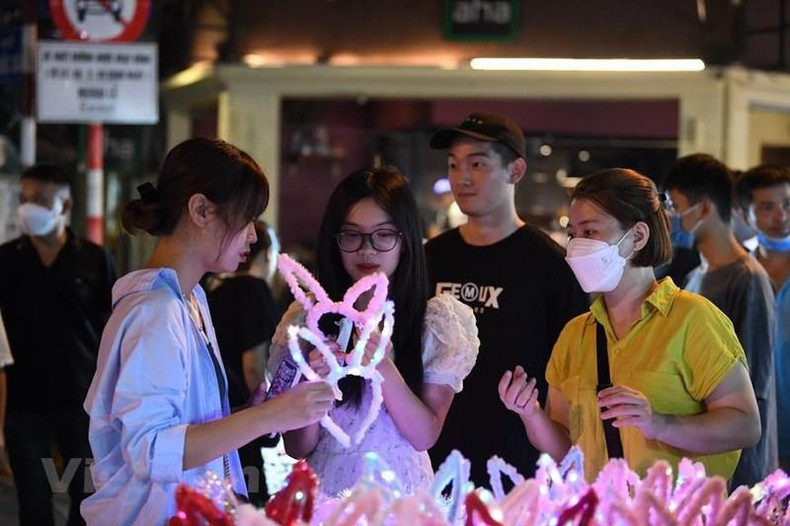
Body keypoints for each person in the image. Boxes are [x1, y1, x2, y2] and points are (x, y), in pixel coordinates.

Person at [81, 138, 335, 524]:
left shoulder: (189, 297)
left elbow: (182, 426)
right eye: (247, 217)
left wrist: (251, 413)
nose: (253, 235)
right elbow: (150, 449)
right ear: (200, 210)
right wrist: (269, 417)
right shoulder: (156, 311)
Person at [499, 167, 761, 483]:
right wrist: (530, 413)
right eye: (573, 234)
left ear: (637, 236)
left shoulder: (693, 319)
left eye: (590, 232)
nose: (576, 246)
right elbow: (568, 451)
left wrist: (660, 424)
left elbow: (745, 425)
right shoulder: (576, 334)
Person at [269, 166, 479, 496]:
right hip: (326, 497)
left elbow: (424, 435)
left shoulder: (435, 320)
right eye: (352, 235)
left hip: (402, 499)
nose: (367, 249)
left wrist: (382, 365)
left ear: (405, 240)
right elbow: (297, 446)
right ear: (334, 241)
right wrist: (313, 381)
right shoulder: (306, 319)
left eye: (383, 235)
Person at [425, 112, 588, 484]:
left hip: (517, 466)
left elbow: (572, 373)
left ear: (515, 170)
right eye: (453, 164)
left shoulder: (551, 266)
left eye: (477, 164)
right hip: (432, 462)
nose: (461, 177)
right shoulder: (429, 258)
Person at [0, 163, 116, 526]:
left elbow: (110, 329)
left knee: (87, 499)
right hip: (23, 403)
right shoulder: (6, 260)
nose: (27, 207)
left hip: (81, 402)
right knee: (33, 502)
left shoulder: (95, 259)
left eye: (38, 199)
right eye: (24, 199)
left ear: (64, 206)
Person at [664, 154, 777, 489]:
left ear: (704, 208)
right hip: (702, 463)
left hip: (738, 471)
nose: (671, 217)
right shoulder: (696, 277)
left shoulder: (747, 279)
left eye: (677, 205)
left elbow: (754, 390)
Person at [206, 220, 280, 505]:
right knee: (250, 503)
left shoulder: (215, 289)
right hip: (245, 414)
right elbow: (253, 364)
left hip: (219, 414)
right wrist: (268, 414)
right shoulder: (254, 291)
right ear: (267, 254)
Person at [735, 164, 790, 471]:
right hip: (759, 420)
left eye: (787, 204)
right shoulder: (741, 274)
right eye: (767, 207)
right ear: (745, 215)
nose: (781, 215)